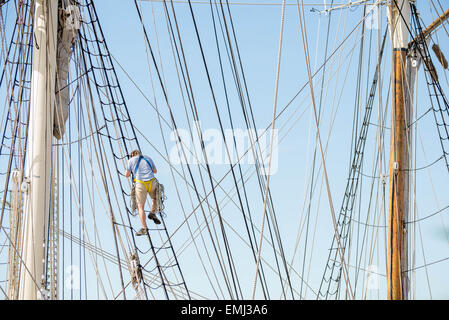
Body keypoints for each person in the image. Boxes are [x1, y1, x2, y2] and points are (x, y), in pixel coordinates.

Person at [125, 149, 161, 236]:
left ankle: (144, 228)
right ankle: (152, 213)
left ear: (132, 155)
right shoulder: (148, 158)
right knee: (155, 198)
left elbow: (127, 175)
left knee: (140, 207)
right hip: (152, 182)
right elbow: (155, 171)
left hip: (140, 184)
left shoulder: (131, 160)